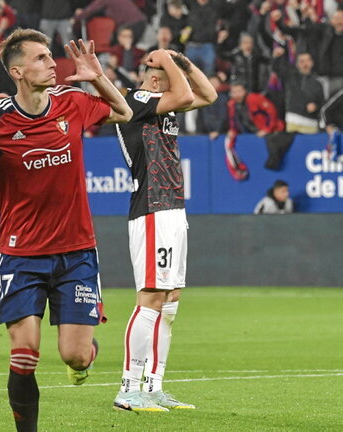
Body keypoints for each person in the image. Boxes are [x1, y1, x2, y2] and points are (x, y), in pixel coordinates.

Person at [0, 30, 132, 431]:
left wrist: (98, 77)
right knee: (25, 353)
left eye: (51, 57)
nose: (53, 64)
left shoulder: (72, 102)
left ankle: (86, 354)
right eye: (41, 58)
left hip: (77, 253)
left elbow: (124, 112)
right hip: (21, 256)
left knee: (74, 356)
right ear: (17, 71)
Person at [113, 49, 217, 412]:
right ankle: (128, 388)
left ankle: (154, 386)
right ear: (155, 76)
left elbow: (208, 95)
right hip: (152, 208)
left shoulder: (164, 104)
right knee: (151, 298)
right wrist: (167, 61)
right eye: (168, 73)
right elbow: (188, 94)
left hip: (173, 208)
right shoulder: (135, 99)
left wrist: (183, 62)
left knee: (170, 301)